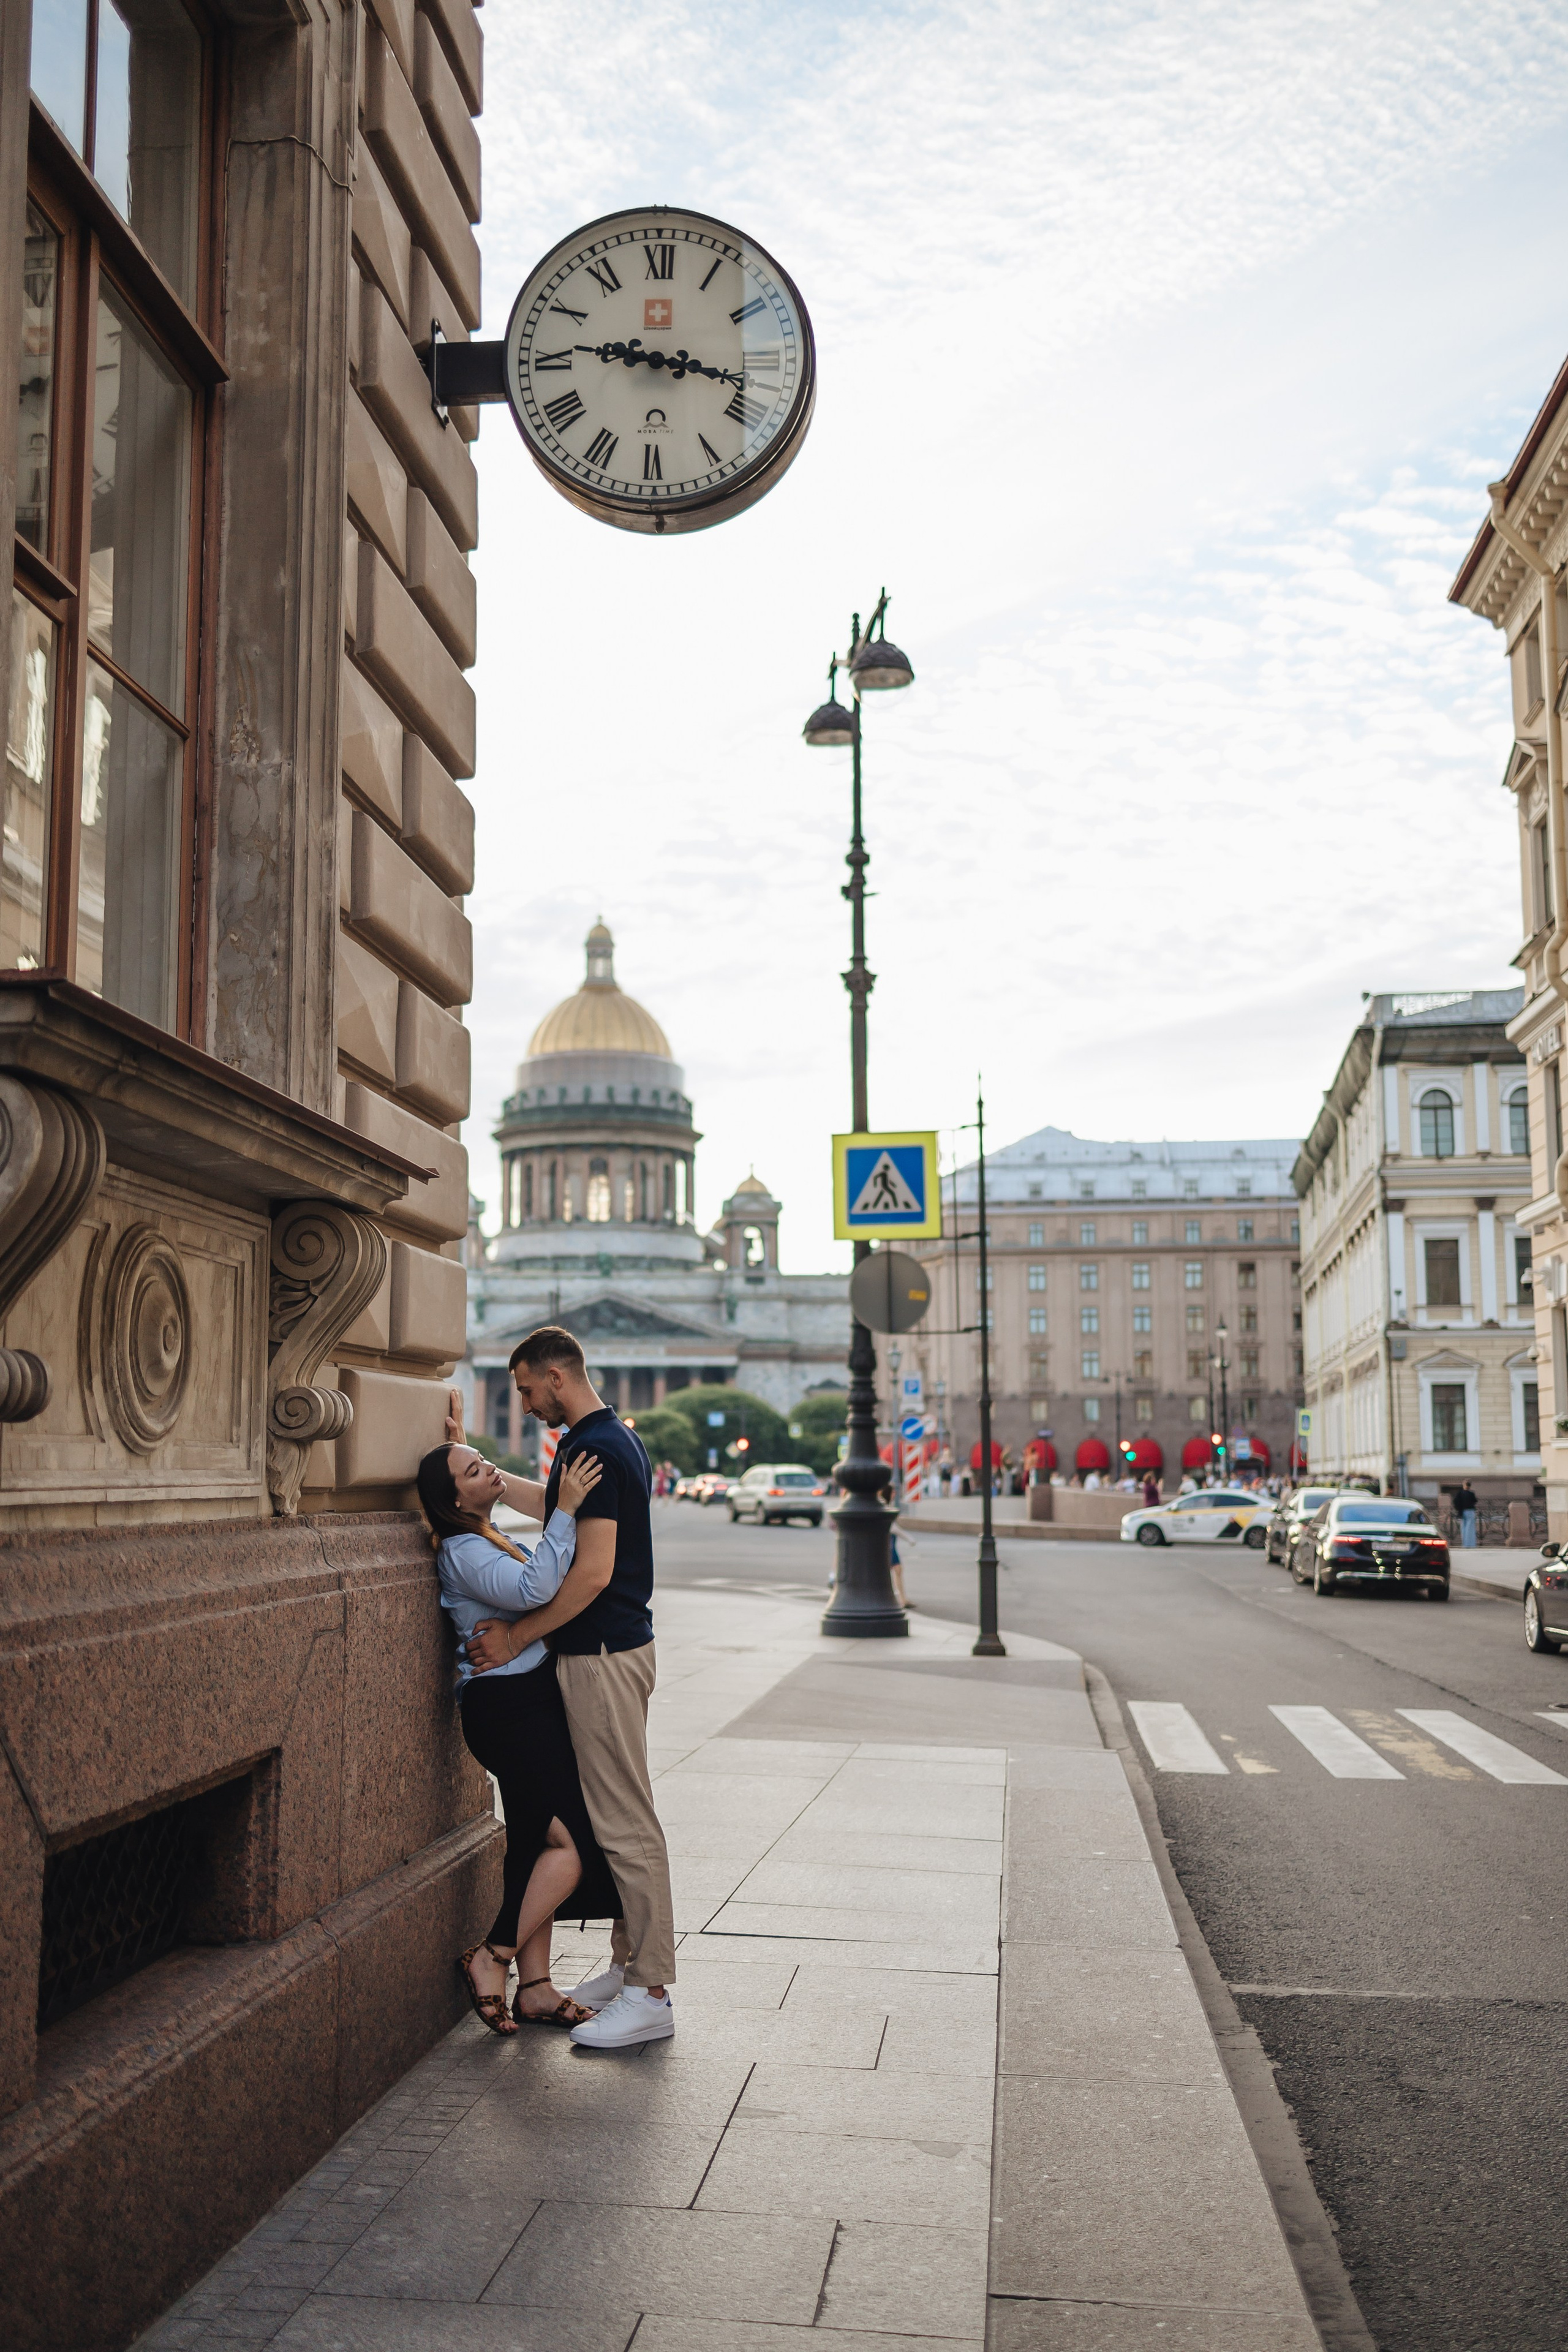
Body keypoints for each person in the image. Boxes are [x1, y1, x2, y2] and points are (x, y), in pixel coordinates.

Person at [458, 1325, 677, 2051]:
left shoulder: (593, 1448)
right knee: (619, 1815)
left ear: (556, 1376)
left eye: (525, 1389)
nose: (522, 1404)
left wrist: (518, 1638)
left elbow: (590, 1574)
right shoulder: (610, 1438)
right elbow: (550, 1504)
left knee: (623, 1824)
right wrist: (477, 1467)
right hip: (612, 1648)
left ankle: (649, 1992)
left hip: (602, 1653)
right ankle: (624, 1969)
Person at [416, 1438, 620, 2035]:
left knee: (533, 1847)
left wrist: (451, 1429)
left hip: (528, 1702)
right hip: (507, 1713)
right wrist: (566, 1507)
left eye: (484, 1458)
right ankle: (494, 1956)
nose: (491, 1469)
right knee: (572, 1847)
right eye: (475, 1469)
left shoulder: (480, 1533)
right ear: (454, 1498)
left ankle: (535, 1988)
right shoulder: (461, 1550)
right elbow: (536, 1590)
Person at [1452, 1480, 1479, 1548]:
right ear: (1470, 1486)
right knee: (1470, 1528)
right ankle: (1471, 1544)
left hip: (1463, 1512)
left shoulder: (1460, 1493)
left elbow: (1455, 1501)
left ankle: (1465, 1544)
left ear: (1464, 1485)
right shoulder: (1471, 1494)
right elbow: (1475, 1501)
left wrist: (1458, 1509)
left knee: (1464, 1528)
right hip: (1470, 1511)